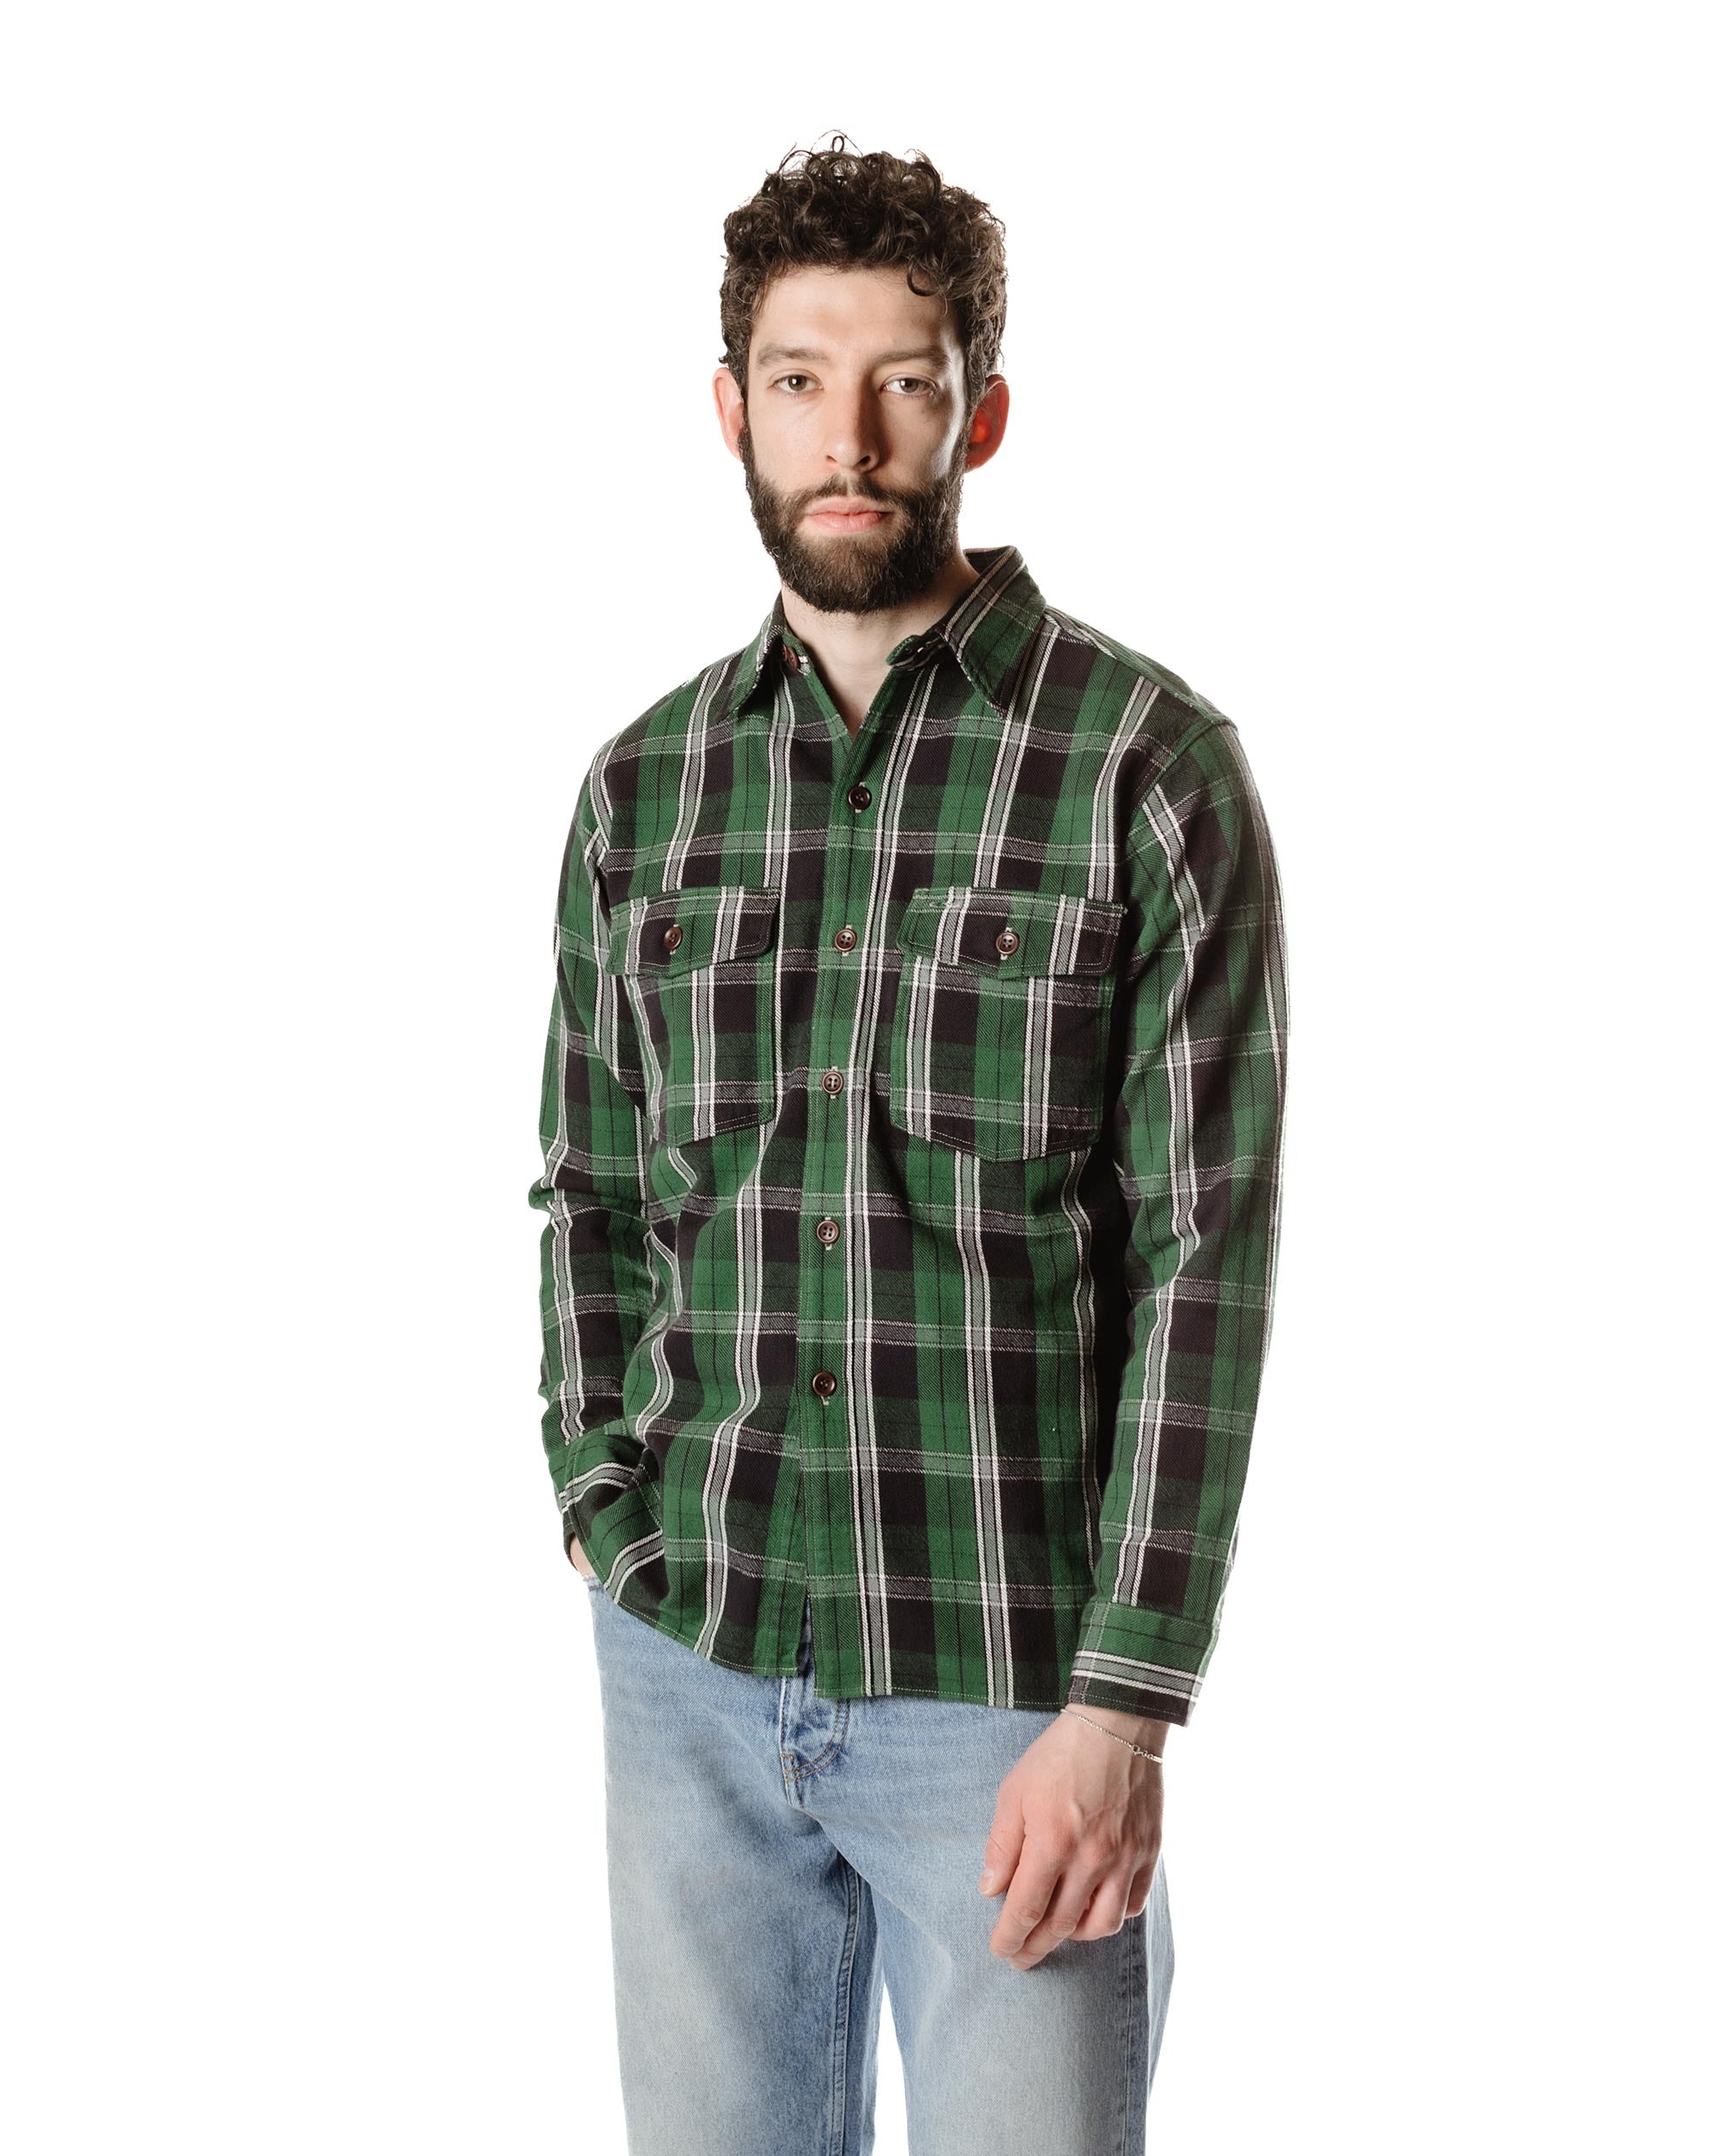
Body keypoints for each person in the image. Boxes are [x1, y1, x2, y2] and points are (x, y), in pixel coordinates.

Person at [526, 133, 1289, 2156]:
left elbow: (1203, 1252)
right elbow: (592, 1191)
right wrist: (606, 1506)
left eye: (903, 380)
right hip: (691, 1659)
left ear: (982, 410)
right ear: (730, 407)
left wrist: (1125, 1701)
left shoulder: (1143, 766)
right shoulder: (642, 790)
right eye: (800, 379)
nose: (848, 437)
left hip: (1011, 1686)